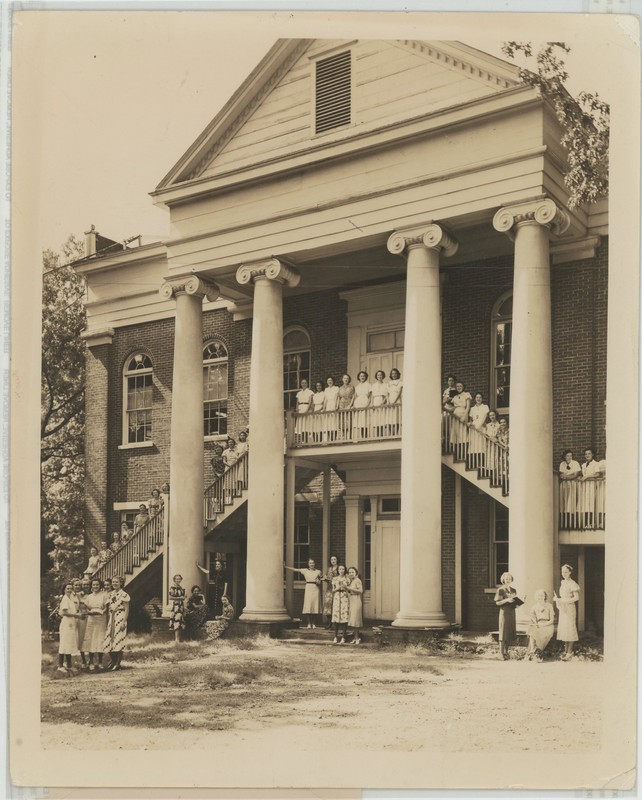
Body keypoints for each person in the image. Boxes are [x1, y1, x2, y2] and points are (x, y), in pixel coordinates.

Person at [284, 559, 322, 628]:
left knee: (315, 605)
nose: (312, 564)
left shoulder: (318, 571)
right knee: (308, 605)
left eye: (313, 563)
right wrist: (286, 567)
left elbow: (320, 580)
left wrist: (318, 581)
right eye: (310, 563)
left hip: (315, 588)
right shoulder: (305, 570)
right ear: (308, 564)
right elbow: (295, 569)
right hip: (308, 587)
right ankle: (309, 623)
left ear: (314, 564)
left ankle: (313, 623)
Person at [103, 575, 130, 671]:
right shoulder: (110, 594)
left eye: (116, 582)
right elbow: (108, 607)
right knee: (109, 639)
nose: (114, 584)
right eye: (113, 582)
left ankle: (118, 663)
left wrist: (124, 622)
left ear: (121, 583)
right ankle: (113, 661)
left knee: (119, 639)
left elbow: (127, 609)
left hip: (120, 617)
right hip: (112, 618)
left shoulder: (124, 595)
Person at [554, 564, 580, 660]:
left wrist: (564, 601)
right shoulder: (563, 583)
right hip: (563, 608)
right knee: (565, 629)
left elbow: (576, 598)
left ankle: (570, 652)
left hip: (569, 608)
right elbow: (562, 597)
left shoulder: (573, 584)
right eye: (562, 572)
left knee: (570, 628)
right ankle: (565, 651)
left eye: (566, 572)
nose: (564, 574)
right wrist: (558, 600)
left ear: (570, 572)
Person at [81, 578, 108, 671]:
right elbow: (87, 608)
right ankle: (91, 662)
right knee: (91, 639)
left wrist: (102, 612)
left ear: (100, 586)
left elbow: (106, 608)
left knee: (100, 639)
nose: (95, 586)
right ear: (91, 586)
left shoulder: (104, 595)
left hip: (101, 619)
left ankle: (100, 662)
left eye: (97, 585)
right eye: (93, 585)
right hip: (91, 619)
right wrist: (90, 612)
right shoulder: (89, 597)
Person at [494, 571, 521, 660]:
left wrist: (518, 604)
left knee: (509, 632)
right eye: (506, 579)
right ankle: (501, 653)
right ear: (503, 580)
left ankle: (506, 652)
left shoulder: (513, 590)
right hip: (504, 613)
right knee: (503, 632)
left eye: (509, 579)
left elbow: (514, 601)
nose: (508, 580)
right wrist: (507, 600)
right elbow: (498, 603)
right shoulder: (500, 590)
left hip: (512, 612)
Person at [57, 582, 81, 673]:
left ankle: (69, 665)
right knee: (64, 644)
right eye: (68, 588)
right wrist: (76, 615)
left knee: (68, 644)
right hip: (66, 623)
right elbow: (64, 613)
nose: (70, 590)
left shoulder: (70, 598)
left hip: (71, 623)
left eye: (71, 588)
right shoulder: (65, 599)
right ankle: (60, 665)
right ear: (64, 590)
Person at [526, 589, 555, 661]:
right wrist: (536, 624)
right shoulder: (534, 606)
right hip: (539, 624)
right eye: (539, 595)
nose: (540, 597)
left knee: (542, 631)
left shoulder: (549, 606)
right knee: (532, 628)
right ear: (536, 597)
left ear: (545, 596)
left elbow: (551, 620)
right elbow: (533, 618)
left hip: (548, 624)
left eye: (542, 595)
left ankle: (537, 652)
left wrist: (544, 624)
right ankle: (533, 650)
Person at [578, 449, 603, 529]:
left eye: (589, 453)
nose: (587, 455)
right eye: (586, 454)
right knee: (585, 505)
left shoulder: (596, 464)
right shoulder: (583, 465)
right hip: (584, 487)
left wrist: (587, 476)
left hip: (592, 486)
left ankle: (592, 523)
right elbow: (582, 475)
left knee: (591, 504)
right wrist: (580, 477)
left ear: (593, 455)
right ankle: (586, 523)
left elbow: (598, 474)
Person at [558, 449, 581, 529]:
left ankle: (574, 523)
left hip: (573, 485)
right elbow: (561, 475)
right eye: (567, 456)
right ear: (565, 456)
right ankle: (565, 523)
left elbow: (575, 475)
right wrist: (570, 475)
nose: (569, 457)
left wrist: (567, 476)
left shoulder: (575, 463)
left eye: (570, 456)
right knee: (564, 503)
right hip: (564, 485)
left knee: (572, 503)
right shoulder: (562, 464)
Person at [450, 381, 472, 459]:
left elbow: (468, 407)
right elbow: (453, 407)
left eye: (460, 386)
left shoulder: (466, 394)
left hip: (463, 413)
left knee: (462, 434)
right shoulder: (455, 397)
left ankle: (464, 455)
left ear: (463, 387)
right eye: (457, 386)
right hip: (455, 414)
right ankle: (457, 454)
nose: (459, 387)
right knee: (456, 434)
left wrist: (464, 416)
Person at [468, 392, 489, 469]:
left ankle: (482, 465)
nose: (478, 399)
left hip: (481, 427)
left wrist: (480, 426)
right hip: (474, 428)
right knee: (474, 446)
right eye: (477, 397)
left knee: (481, 445)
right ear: (475, 399)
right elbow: (470, 419)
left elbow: (485, 417)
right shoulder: (472, 408)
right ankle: (474, 464)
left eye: (480, 397)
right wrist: (471, 425)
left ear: (482, 399)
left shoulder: (485, 407)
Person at [331, 565, 351, 644]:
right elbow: (332, 590)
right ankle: (335, 636)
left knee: (344, 616)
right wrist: (337, 588)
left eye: (343, 569)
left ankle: (343, 637)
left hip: (344, 597)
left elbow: (349, 590)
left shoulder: (347, 579)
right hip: (337, 597)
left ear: (345, 570)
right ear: (338, 570)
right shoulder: (335, 579)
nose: (341, 570)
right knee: (336, 616)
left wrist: (345, 588)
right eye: (340, 569)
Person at [321, 555, 339, 628]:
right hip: (329, 589)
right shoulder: (329, 569)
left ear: (337, 560)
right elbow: (326, 577)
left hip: (336, 589)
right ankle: (329, 623)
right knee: (328, 605)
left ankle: (336, 623)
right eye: (332, 560)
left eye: (334, 559)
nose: (333, 561)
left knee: (335, 605)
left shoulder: (339, 568)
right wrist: (325, 579)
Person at [347, 567, 363, 644]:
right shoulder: (351, 581)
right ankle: (354, 637)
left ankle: (357, 638)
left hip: (356, 599)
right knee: (353, 619)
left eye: (352, 572)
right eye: (349, 572)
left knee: (356, 619)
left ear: (356, 573)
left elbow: (360, 591)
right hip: (352, 599)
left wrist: (349, 588)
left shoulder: (357, 580)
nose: (351, 574)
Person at [168, 574, 186, 642]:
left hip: (181, 606)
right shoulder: (173, 587)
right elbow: (170, 597)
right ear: (174, 580)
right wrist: (180, 598)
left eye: (179, 579)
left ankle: (179, 638)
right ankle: (176, 639)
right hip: (176, 606)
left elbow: (183, 598)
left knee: (180, 621)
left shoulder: (181, 587)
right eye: (176, 579)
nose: (178, 580)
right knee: (177, 621)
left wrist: (183, 598)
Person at [353, 371, 372, 440]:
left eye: (363, 376)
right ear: (359, 377)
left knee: (365, 421)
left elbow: (370, 396)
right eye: (361, 376)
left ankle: (365, 437)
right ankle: (361, 437)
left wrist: (368, 404)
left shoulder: (368, 385)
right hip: (358, 403)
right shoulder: (357, 386)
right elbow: (355, 396)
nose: (362, 377)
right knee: (360, 421)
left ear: (366, 377)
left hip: (365, 402)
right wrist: (354, 404)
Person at [295, 379, 314, 443]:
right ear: (301, 384)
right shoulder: (299, 393)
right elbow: (297, 403)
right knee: (301, 426)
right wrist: (297, 409)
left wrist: (307, 410)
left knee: (306, 425)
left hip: (306, 408)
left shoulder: (310, 392)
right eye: (302, 383)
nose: (304, 384)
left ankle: (306, 441)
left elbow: (310, 402)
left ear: (307, 384)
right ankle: (302, 441)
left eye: (305, 383)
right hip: (300, 408)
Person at [371, 370, 389, 437]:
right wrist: (372, 404)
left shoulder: (386, 385)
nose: (379, 376)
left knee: (382, 418)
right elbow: (372, 396)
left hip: (382, 401)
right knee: (377, 419)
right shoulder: (373, 385)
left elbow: (386, 395)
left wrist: (383, 401)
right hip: (375, 401)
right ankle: (378, 435)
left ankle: (381, 435)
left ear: (383, 376)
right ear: (376, 376)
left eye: (381, 375)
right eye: (378, 375)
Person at [337, 374, 355, 441]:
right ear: (342, 379)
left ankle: (349, 437)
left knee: (349, 422)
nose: (346, 379)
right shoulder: (340, 388)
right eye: (344, 378)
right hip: (342, 405)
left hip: (348, 404)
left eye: (347, 378)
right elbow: (339, 397)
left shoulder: (351, 387)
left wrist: (350, 405)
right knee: (342, 422)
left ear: (349, 379)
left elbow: (353, 396)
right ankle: (343, 437)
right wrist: (338, 405)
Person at [323, 376, 340, 442]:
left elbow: (337, 397)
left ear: (333, 381)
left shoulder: (336, 388)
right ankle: (329, 439)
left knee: (334, 423)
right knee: (328, 423)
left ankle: (334, 439)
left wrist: (336, 406)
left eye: (331, 380)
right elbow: (325, 399)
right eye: (328, 380)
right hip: (328, 406)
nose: (329, 381)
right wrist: (324, 408)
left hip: (333, 404)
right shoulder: (326, 389)